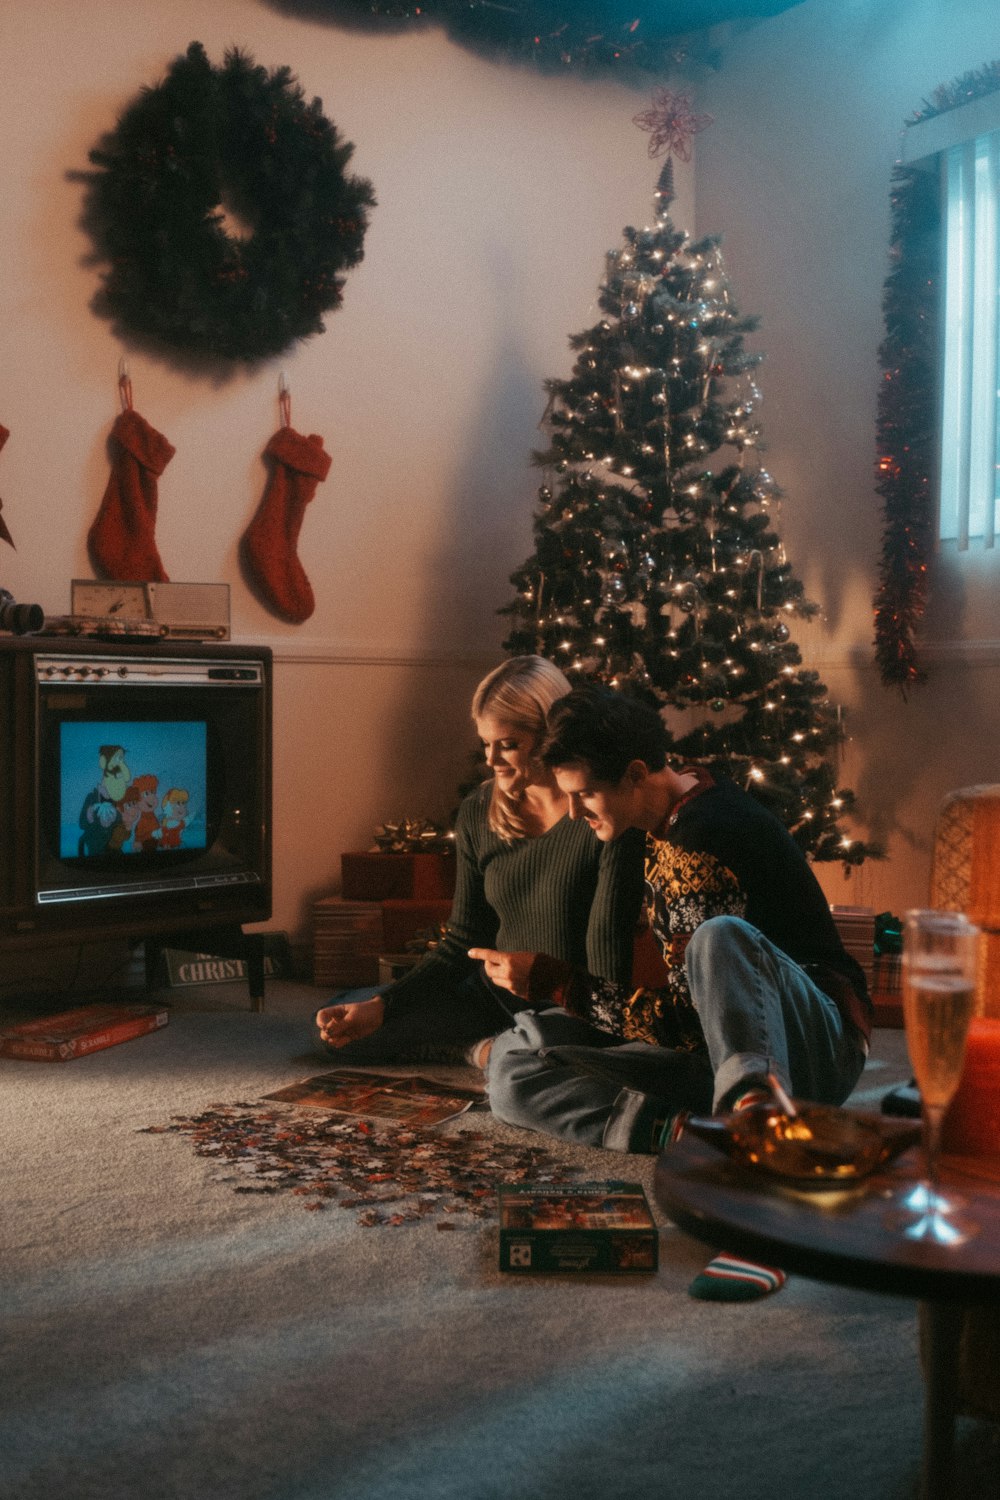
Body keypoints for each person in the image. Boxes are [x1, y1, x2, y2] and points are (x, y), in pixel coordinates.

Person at [477, 684, 873, 1301]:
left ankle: (758, 1180)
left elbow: (686, 1024)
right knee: (513, 1065)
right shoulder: (675, 799)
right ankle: (696, 1134)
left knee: (720, 938)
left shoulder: (702, 838)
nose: (576, 813)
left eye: (584, 794)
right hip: (716, 1055)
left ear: (636, 773)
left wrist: (554, 981)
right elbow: (689, 1024)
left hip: (811, 1052)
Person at [314, 658, 645, 1063]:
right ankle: (489, 1051)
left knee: (564, 1052)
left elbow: (608, 977)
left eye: (508, 745)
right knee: (346, 1020)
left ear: (550, 735)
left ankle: (489, 1053)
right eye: (486, 743)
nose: (491, 760)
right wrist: (384, 1005)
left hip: (566, 1007)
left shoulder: (602, 816)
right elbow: (463, 938)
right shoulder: (479, 810)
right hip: (489, 998)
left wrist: (554, 989)